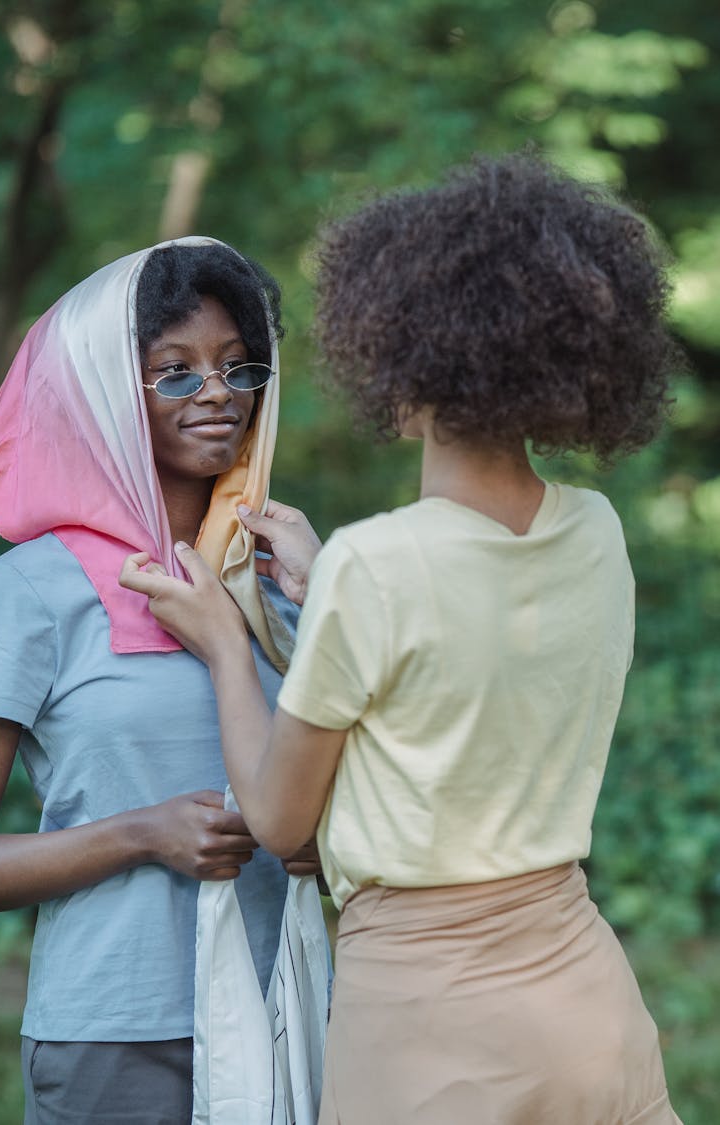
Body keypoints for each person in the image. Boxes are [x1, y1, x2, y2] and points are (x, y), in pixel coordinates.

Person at [121, 153, 685, 1124]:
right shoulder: (594, 530)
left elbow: (281, 820)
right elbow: (455, 679)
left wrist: (224, 639)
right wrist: (327, 586)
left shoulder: (377, 568)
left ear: (395, 346)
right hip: (590, 1004)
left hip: (433, 1025)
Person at [0, 235, 324, 1124]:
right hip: (118, 1039)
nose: (216, 393)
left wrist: (322, 606)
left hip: (297, 1005)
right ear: (102, 396)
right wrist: (139, 834)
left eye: (239, 369)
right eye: (175, 372)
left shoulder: (283, 574)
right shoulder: (31, 591)